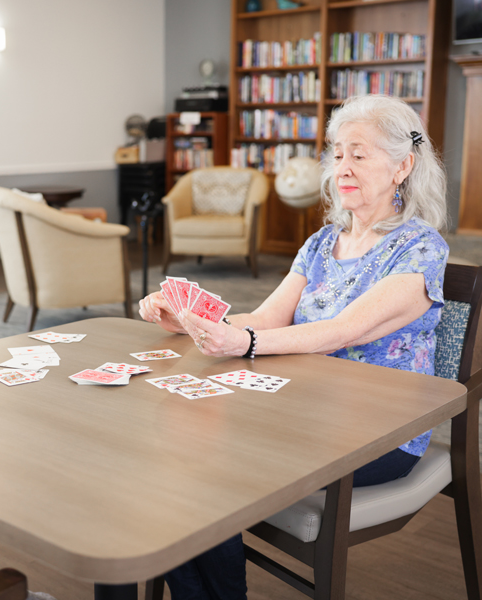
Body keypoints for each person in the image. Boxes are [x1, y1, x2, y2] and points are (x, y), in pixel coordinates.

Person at [138, 94, 449, 600]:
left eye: (359, 154)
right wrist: (187, 319)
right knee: (180, 456)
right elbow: (263, 318)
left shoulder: (421, 247)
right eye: (337, 153)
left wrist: (246, 341)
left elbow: (346, 330)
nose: (341, 167)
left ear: (403, 166)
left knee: (205, 472)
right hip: (297, 406)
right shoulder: (322, 242)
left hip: (380, 431)